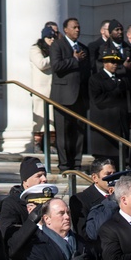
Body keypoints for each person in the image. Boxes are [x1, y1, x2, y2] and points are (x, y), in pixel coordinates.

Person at [49, 17, 91, 172]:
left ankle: (77, 164)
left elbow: (87, 72)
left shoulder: (83, 49)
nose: (77, 30)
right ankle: (64, 165)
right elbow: (57, 66)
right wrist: (74, 60)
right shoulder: (57, 45)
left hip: (80, 96)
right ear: (65, 29)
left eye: (79, 27)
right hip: (63, 96)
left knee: (79, 133)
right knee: (63, 133)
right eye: (74, 27)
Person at [29, 26, 55, 141]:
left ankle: (51, 144)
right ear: (43, 38)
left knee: (52, 123)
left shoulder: (54, 49)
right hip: (40, 91)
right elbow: (41, 64)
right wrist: (55, 56)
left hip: (52, 90)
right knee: (40, 121)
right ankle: (37, 144)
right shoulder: (35, 49)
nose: (52, 39)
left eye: (54, 37)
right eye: (49, 37)